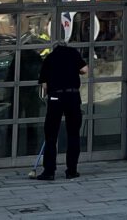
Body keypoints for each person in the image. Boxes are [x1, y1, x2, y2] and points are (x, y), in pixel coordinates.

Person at [35, 31, 88, 180]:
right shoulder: (73, 53)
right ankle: (71, 170)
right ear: (66, 45)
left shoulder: (49, 58)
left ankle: (49, 171)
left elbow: (44, 86)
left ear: (54, 47)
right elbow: (85, 70)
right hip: (72, 96)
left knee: (51, 135)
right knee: (73, 134)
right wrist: (74, 71)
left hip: (55, 97)